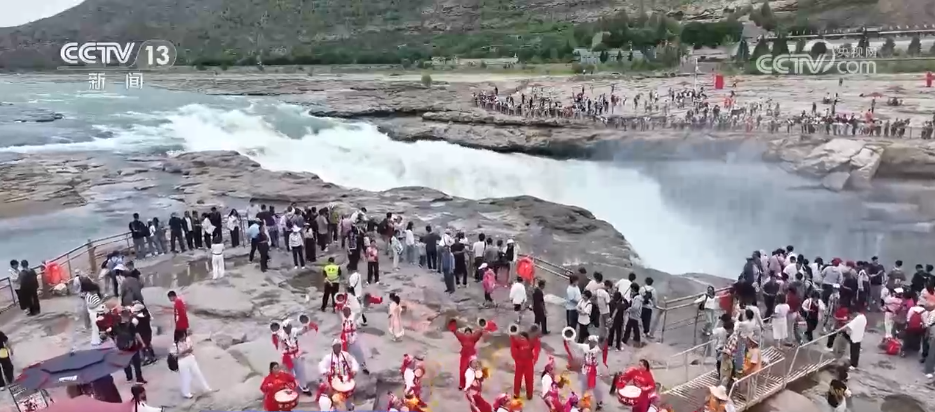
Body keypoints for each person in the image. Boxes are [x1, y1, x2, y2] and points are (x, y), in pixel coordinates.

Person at [272, 319, 315, 395]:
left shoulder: (294, 331)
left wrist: (306, 325)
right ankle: (291, 388)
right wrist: (275, 334)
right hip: (287, 357)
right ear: (284, 328)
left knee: (301, 372)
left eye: (290, 326)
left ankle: (304, 387)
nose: (289, 328)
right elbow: (275, 339)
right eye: (287, 327)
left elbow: (302, 331)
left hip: (297, 355)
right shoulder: (280, 335)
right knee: (289, 374)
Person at [318, 339, 360, 411]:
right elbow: (321, 366)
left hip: (345, 379)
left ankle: (349, 406)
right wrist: (326, 372)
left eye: (339, 346)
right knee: (336, 397)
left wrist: (354, 370)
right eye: (335, 346)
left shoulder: (345, 355)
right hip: (334, 380)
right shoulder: (328, 357)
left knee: (348, 395)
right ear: (333, 347)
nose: (337, 348)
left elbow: (353, 361)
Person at [566, 335, 604, 410]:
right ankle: (583, 401)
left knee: (596, 387)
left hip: (594, 371)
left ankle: (599, 402)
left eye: (595, 342)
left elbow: (602, 346)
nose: (594, 343)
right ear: (590, 342)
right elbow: (576, 345)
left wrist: (603, 338)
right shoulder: (585, 347)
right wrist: (570, 340)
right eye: (593, 342)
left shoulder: (597, 349)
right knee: (583, 385)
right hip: (585, 369)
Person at [171, 329, 213, 398]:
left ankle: (206, 388)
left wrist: (191, 352)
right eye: (182, 336)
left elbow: (191, 347)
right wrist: (185, 352)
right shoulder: (175, 344)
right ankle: (186, 393)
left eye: (184, 335)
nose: (183, 338)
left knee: (198, 373)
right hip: (182, 361)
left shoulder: (188, 339)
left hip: (190, 358)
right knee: (186, 377)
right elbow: (174, 355)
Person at [113, 308, 146, 383]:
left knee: (125, 363)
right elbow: (136, 334)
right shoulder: (130, 324)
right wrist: (142, 343)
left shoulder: (116, 325)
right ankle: (139, 378)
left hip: (122, 347)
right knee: (136, 363)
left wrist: (116, 347)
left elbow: (115, 337)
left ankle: (129, 378)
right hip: (132, 346)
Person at [340, 306, 371, 374]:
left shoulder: (354, 316)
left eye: (347, 310)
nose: (345, 312)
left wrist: (366, 304)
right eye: (344, 311)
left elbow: (361, 311)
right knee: (344, 355)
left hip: (353, 338)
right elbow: (337, 309)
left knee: (359, 354)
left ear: (350, 311)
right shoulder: (341, 316)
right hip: (345, 340)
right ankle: (345, 369)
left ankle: (363, 367)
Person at [510, 331, 540, 400]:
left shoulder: (529, 343)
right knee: (519, 379)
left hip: (527, 363)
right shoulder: (518, 343)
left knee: (528, 379)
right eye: (521, 337)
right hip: (521, 363)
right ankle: (517, 394)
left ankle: (528, 395)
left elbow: (536, 347)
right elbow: (513, 348)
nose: (522, 339)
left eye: (523, 337)